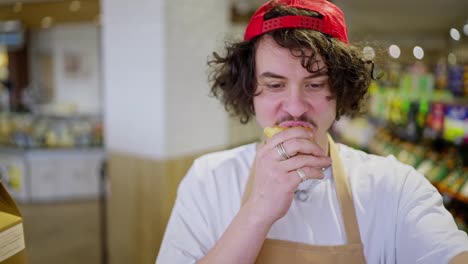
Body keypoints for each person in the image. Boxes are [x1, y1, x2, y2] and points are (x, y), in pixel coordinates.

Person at [156, 0, 468, 263]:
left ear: (342, 90)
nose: (294, 106)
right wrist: (256, 212)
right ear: (249, 90)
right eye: (275, 85)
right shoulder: (208, 179)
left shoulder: (395, 188)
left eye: (315, 84)